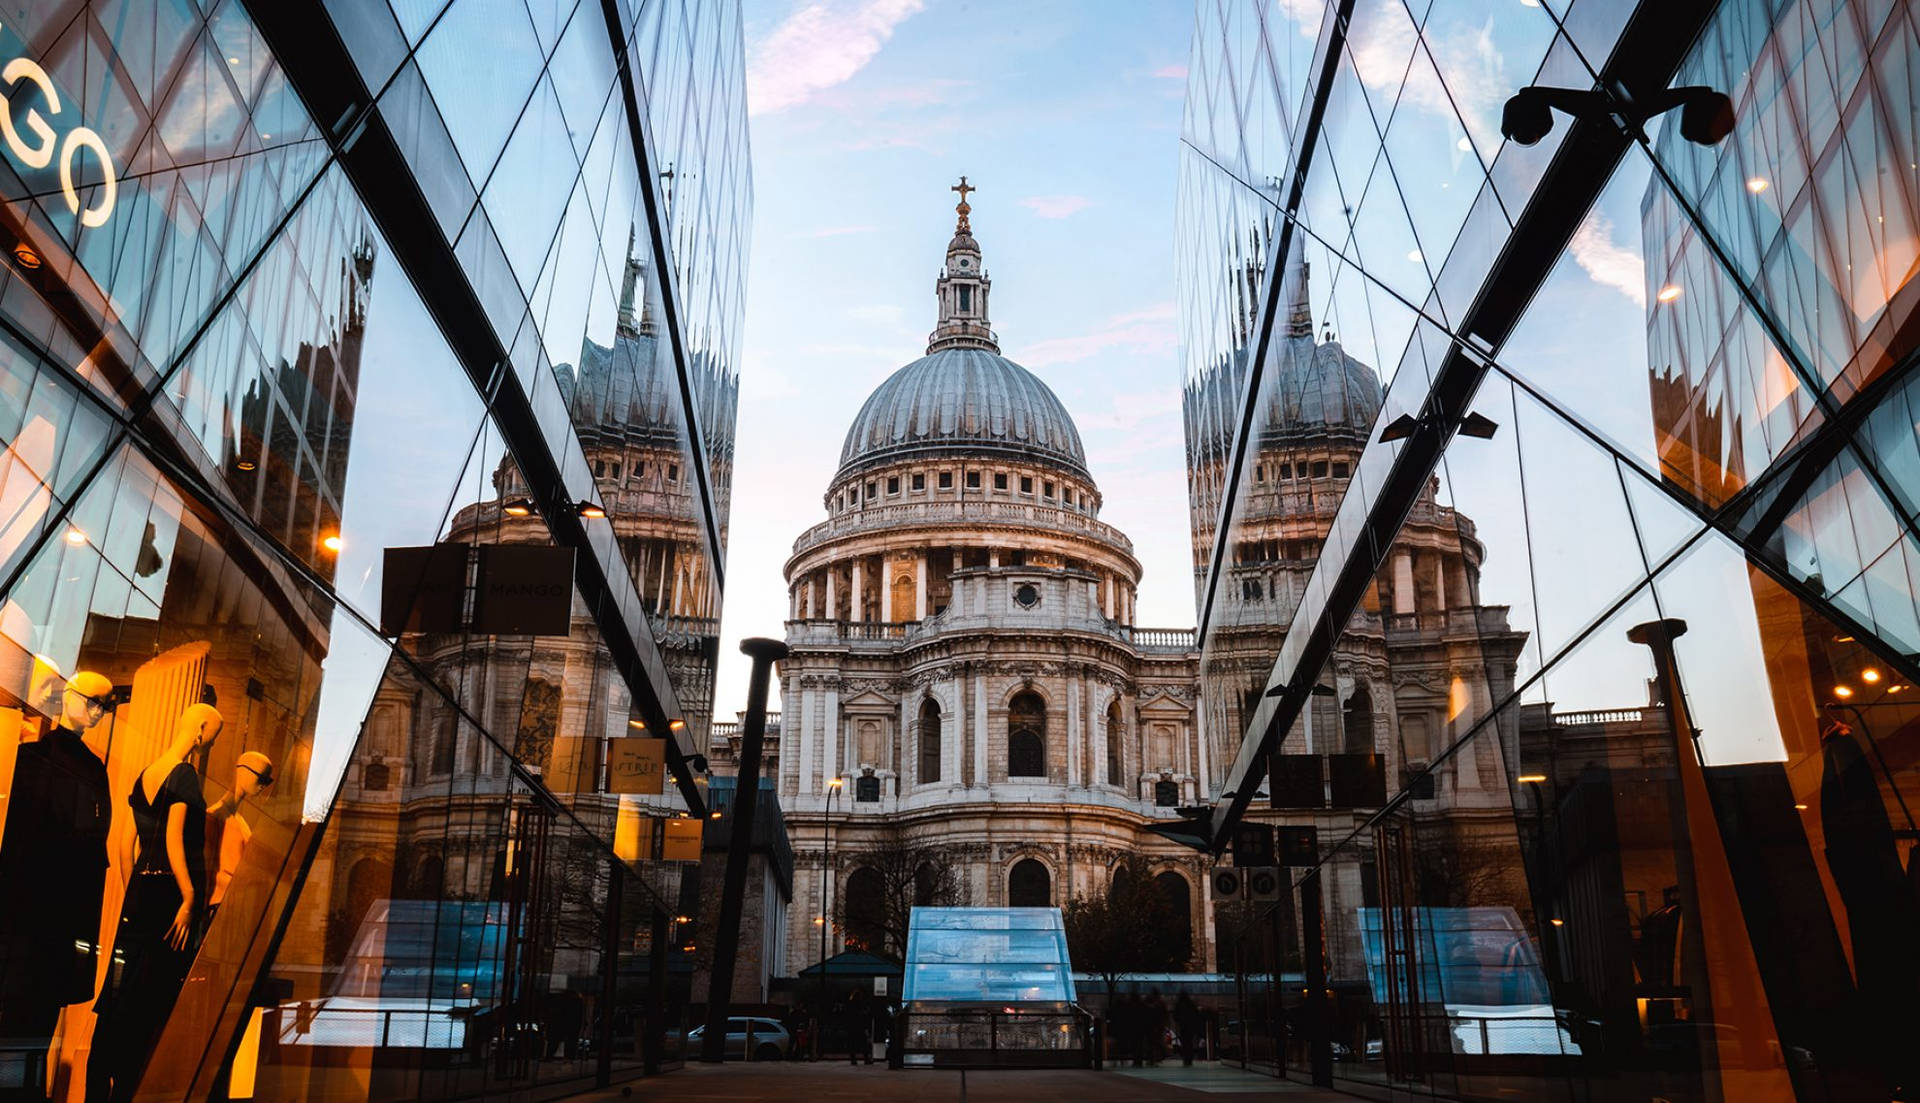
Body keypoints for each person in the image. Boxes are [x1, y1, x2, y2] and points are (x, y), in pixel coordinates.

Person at [87, 703, 222, 1103]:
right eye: (211, 735)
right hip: (168, 894)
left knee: (121, 987)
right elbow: (174, 838)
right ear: (199, 729)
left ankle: (105, 1077)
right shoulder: (184, 775)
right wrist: (189, 895)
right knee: (152, 990)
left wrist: (135, 887)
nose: (208, 743)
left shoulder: (147, 772)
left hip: (140, 892)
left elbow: (125, 842)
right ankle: (131, 1082)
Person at [0, 671, 116, 1100]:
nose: (98, 712)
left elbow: (94, 855)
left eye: (105, 705)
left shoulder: (91, 771)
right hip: (27, 918)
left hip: (56, 924)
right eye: (92, 700)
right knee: (19, 1027)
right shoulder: (31, 759)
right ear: (69, 695)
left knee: (33, 1027)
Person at [1173, 993, 1202, 1065]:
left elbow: (1175, 1015)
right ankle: (1189, 1058)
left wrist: (1179, 1021)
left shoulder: (1179, 1005)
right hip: (1190, 1026)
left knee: (1184, 1042)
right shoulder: (1191, 1004)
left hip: (1183, 1026)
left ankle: (1186, 1058)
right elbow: (1196, 1014)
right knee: (1189, 1042)